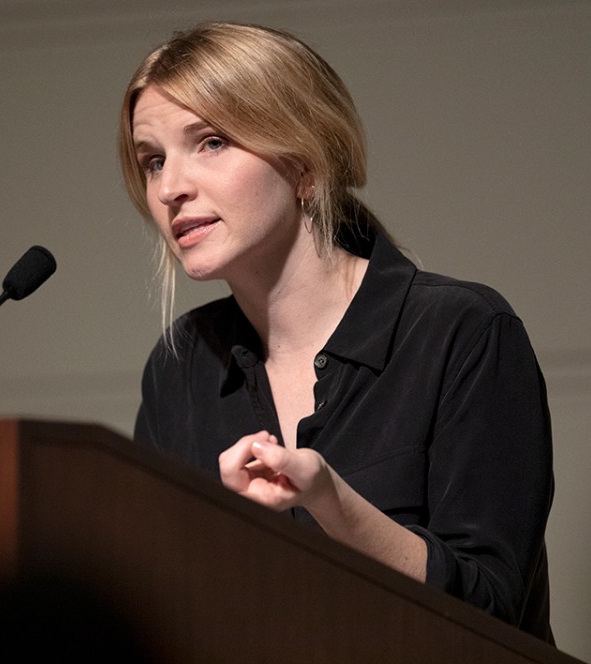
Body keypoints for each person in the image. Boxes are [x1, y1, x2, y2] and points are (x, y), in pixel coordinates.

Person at [118, 22, 555, 642]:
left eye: (210, 142)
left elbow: (491, 610)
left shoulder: (461, 332)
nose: (169, 188)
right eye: (152, 161)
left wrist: (331, 502)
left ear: (304, 162)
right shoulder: (180, 369)